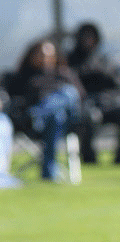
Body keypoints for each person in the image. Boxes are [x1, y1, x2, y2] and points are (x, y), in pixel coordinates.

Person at [4, 39, 84, 180]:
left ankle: (40, 112)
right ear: (31, 55)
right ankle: (48, 171)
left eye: (49, 55)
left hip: (65, 122)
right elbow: (14, 100)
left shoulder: (64, 75)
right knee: (57, 115)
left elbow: (80, 97)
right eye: (41, 55)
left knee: (69, 94)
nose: (45, 58)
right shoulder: (22, 77)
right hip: (31, 124)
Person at [67, 21, 120, 165]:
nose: (88, 41)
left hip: (109, 103)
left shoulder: (105, 60)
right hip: (84, 106)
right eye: (84, 37)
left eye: (91, 37)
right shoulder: (69, 61)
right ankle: (89, 158)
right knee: (89, 116)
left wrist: (106, 95)